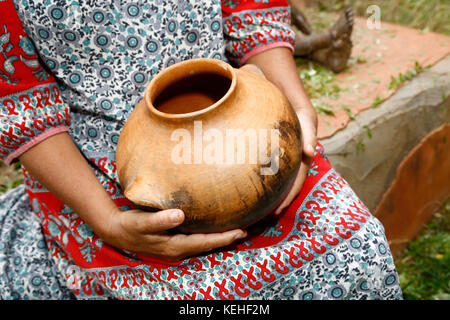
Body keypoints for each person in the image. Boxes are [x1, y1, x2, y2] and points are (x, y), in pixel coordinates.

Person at [0, 0, 402, 300]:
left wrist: (296, 114)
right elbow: (18, 103)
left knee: (357, 247)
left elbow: (252, 12)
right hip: (97, 173)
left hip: (249, 125)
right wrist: (108, 223)